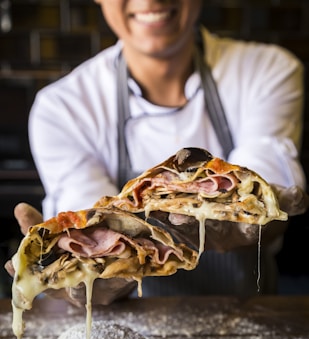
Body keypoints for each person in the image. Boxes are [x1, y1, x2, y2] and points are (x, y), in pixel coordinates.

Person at [6, 0, 309, 304]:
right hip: (126, 324)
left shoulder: (268, 70)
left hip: (248, 314)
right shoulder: (63, 106)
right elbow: (87, 218)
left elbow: (268, 191)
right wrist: (96, 264)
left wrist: (252, 214)